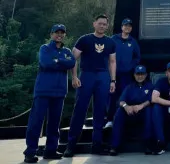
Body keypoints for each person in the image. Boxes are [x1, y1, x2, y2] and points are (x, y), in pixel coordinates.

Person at [63, 14, 116, 157]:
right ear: (94, 24)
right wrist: (74, 76)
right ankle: (71, 146)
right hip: (86, 75)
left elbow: (112, 62)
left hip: (103, 76)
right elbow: (73, 59)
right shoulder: (84, 39)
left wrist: (112, 80)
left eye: (105, 24)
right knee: (80, 110)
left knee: (99, 112)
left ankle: (96, 146)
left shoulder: (110, 42)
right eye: (100, 23)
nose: (102, 26)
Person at [23, 24, 75, 163]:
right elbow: (46, 63)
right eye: (56, 32)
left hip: (59, 92)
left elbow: (72, 63)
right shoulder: (44, 48)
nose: (59, 35)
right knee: (36, 122)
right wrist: (62, 62)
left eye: (62, 32)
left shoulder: (67, 50)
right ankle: (30, 152)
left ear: (64, 34)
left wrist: (58, 61)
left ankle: (50, 150)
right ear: (51, 34)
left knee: (54, 123)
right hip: (43, 91)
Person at [109, 65, 153, 156]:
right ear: (134, 75)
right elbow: (121, 101)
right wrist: (126, 106)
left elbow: (151, 100)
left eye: (142, 74)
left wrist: (141, 105)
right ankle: (114, 146)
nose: (140, 76)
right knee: (119, 113)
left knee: (149, 111)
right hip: (130, 111)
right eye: (138, 74)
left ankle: (148, 144)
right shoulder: (129, 87)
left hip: (143, 110)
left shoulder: (150, 86)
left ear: (145, 75)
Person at [105, 18, 141, 128]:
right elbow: (106, 53)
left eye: (129, 26)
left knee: (125, 96)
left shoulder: (133, 42)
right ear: (122, 27)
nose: (127, 28)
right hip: (113, 74)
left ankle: (125, 119)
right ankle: (110, 119)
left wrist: (130, 66)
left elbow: (137, 57)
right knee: (112, 96)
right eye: (125, 26)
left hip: (126, 75)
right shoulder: (113, 39)